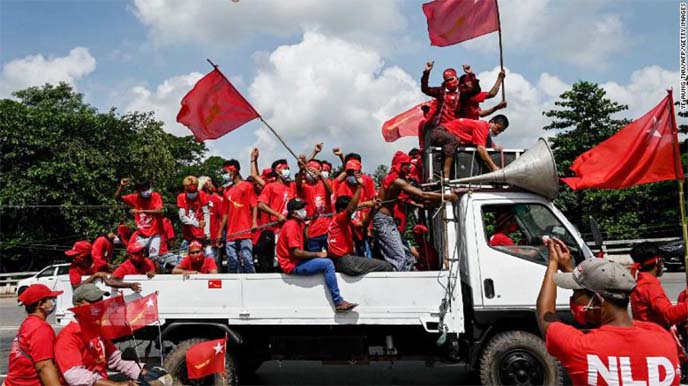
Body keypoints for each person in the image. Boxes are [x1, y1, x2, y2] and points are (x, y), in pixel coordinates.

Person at [536, 238, 681, 385]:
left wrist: (553, 262)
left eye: (576, 294)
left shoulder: (581, 348)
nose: (573, 298)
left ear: (598, 301)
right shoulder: (662, 338)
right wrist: (570, 269)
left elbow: (545, 314)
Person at [374, 151, 456, 271]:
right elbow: (422, 195)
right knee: (400, 258)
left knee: (408, 257)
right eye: (407, 164)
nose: (409, 167)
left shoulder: (392, 178)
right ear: (400, 165)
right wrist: (448, 197)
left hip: (388, 221)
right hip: (384, 221)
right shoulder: (397, 181)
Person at [277, 198, 357, 312]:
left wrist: (307, 226)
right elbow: (296, 252)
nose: (304, 210)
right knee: (327, 263)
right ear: (294, 213)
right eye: (301, 208)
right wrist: (318, 254)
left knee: (328, 259)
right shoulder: (291, 225)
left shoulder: (298, 224)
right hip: (292, 264)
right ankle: (338, 301)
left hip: (296, 261)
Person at [55, 284, 142, 386]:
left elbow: (115, 358)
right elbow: (75, 376)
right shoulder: (68, 336)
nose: (98, 305)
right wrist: (116, 385)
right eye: (92, 301)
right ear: (77, 305)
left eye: (100, 300)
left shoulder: (96, 330)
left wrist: (142, 372)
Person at [328, 181, 394, 275]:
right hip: (345, 260)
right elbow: (350, 209)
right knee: (386, 266)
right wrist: (359, 187)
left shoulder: (343, 223)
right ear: (341, 210)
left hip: (342, 260)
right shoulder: (339, 219)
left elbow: (364, 223)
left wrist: (373, 209)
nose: (354, 211)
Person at [5, 284, 63, 386]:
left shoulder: (28, 324)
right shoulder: (41, 329)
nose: (54, 301)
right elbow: (44, 367)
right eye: (51, 298)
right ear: (41, 304)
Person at [630, 242, 688, 329]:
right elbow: (669, 315)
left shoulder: (642, 283)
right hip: (654, 335)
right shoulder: (649, 286)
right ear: (658, 261)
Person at [218, 159, 257, 273]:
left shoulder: (247, 186)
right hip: (231, 233)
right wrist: (220, 232)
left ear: (234, 170)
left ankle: (253, 283)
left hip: (245, 231)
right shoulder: (226, 191)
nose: (224, 175)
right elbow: (225, 213)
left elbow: (254, 205)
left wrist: (254, 222)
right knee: (232, 261)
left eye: (226, 172)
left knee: (247, 259)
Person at [114, 178, 163, 261]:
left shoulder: (155, 196)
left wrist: (141, 211)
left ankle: (155, 272)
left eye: (148, 188)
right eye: (143, 189)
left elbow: (159, 211)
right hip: (141, 235)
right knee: (135, 257)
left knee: (154, 258)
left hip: (154, 235)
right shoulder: (134, 198)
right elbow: (117, 198)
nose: (146, 191)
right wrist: (121, 186)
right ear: (138, 191)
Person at [65, 241, 141, 292]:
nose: (73, 258)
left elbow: (115, 273)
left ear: (85, 255)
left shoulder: (99, 262)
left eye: (76, 255)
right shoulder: (73, 268)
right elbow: (76, 287)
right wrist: (95, 275)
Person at [441, 115, 509, 172]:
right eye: (498, 128)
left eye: (501, 131)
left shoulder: (485, 132)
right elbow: (481, 149)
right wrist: (493, 167)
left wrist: (495, 147)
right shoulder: (482, 126)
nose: (497, 132)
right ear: (492, 122)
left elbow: (488, 144)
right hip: (442, 133)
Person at [296, 157, 333, 252]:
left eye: (313, 171)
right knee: (315, 257)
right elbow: (298, 186)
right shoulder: (305, 187)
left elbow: (330, 191)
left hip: (327, 229)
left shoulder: (326, 183)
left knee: (332, 256)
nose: (311, 174)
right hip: (312, 230)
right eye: (309, 171)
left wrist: (321, 176)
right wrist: (301, 170)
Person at [177, 175, 212, 256]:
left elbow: (206, 213)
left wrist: (207, 233)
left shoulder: (202, 195)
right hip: (188, 235)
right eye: (190, 191)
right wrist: (196, 223)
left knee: (210, 257)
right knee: (182, 259)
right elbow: (182, 217)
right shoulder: (181, 197)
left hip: (202, 235)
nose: (192, 194)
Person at [199, 175, 224, 265]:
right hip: (198, 239)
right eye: (208, 181)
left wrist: (219, 234)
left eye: (211, 181)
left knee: (214, 264)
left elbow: (223, 218)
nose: (210, 184)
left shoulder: (216, 199)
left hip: (213, 238)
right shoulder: (195, 200)